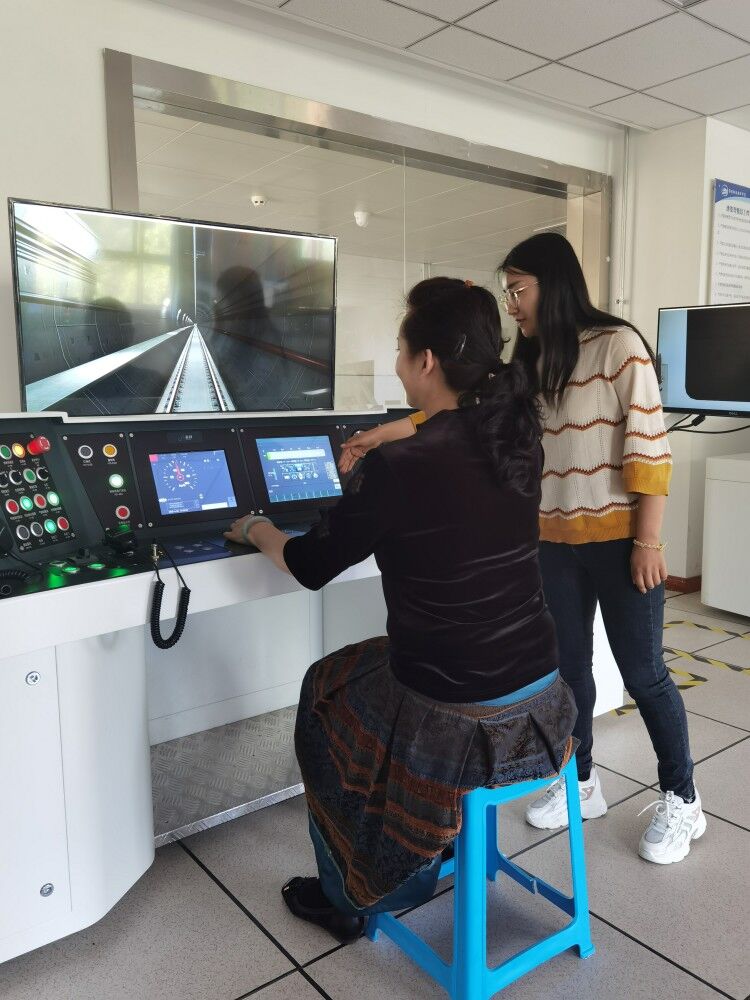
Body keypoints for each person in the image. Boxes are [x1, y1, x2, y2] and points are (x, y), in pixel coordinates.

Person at [224, 276, 578, 943]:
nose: (395, 362)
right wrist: (397, 431)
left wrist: (256, 529)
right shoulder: (517, 435)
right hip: (541, 689)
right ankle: (429, 840)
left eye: (399, 349)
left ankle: (355, 888)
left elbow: (310, 565)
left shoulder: (400, 467)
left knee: (323, 688)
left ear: (425, 361)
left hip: (454, 709)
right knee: (375, 664)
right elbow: (453, 428)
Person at [343, 238, 706, 866]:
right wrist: (380, 434)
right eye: (508, 291)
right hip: (554, 543)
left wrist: (649, 541)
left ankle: (683, 797)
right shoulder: (526, 363)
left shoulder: (619, 346)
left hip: (620, 542)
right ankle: (582, 780)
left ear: (553, 285)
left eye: (518, 290)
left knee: (644, 674)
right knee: (571, 672)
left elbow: (650, 451)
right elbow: (455, 416)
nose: (511, 304)